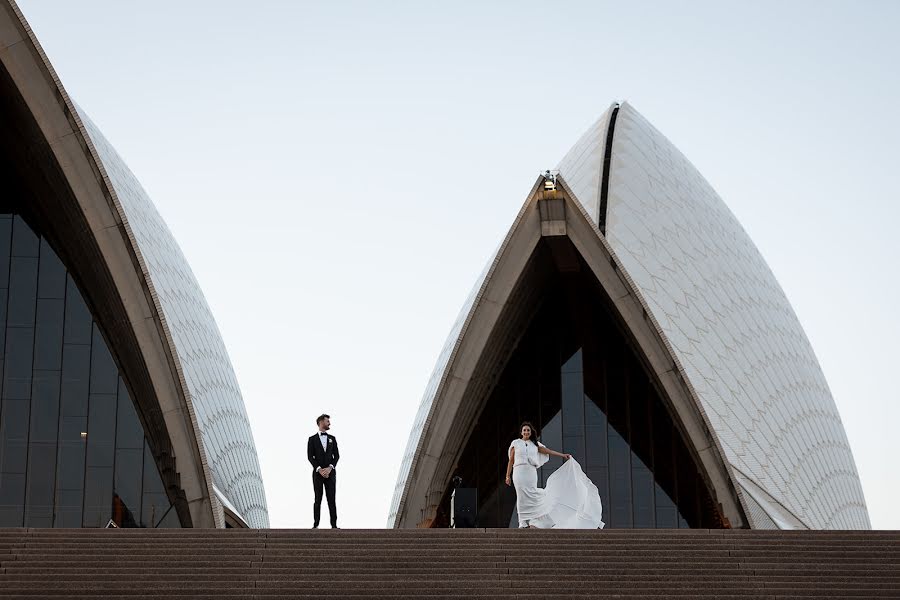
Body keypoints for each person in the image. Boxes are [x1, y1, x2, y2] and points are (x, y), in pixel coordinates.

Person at [505, 421, 605, 529]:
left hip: (530, 472)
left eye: (528, 430)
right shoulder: (516, 443)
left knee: (532, 494)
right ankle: (522, 522)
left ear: (531, 432)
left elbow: (549, 451)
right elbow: (511, 460)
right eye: (524, 430)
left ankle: (537, 517)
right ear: (521, 432)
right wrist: (507, 475)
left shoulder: (535, 444)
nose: (526, 432)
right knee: (521, 496)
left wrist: (562, 455)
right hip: (519, 471)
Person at [307, 414, 339, 528]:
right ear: (321, 422)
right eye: (327, 421)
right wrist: (319, 469)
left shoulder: (332, 439)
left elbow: (337, 456)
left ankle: (334, 525)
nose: (329, 423)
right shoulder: (312, 439)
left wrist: (330, 468)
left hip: (331, 473)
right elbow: (310, 457)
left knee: (332, 499)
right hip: (317, 474)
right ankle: (315, 525)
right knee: (317, 499)